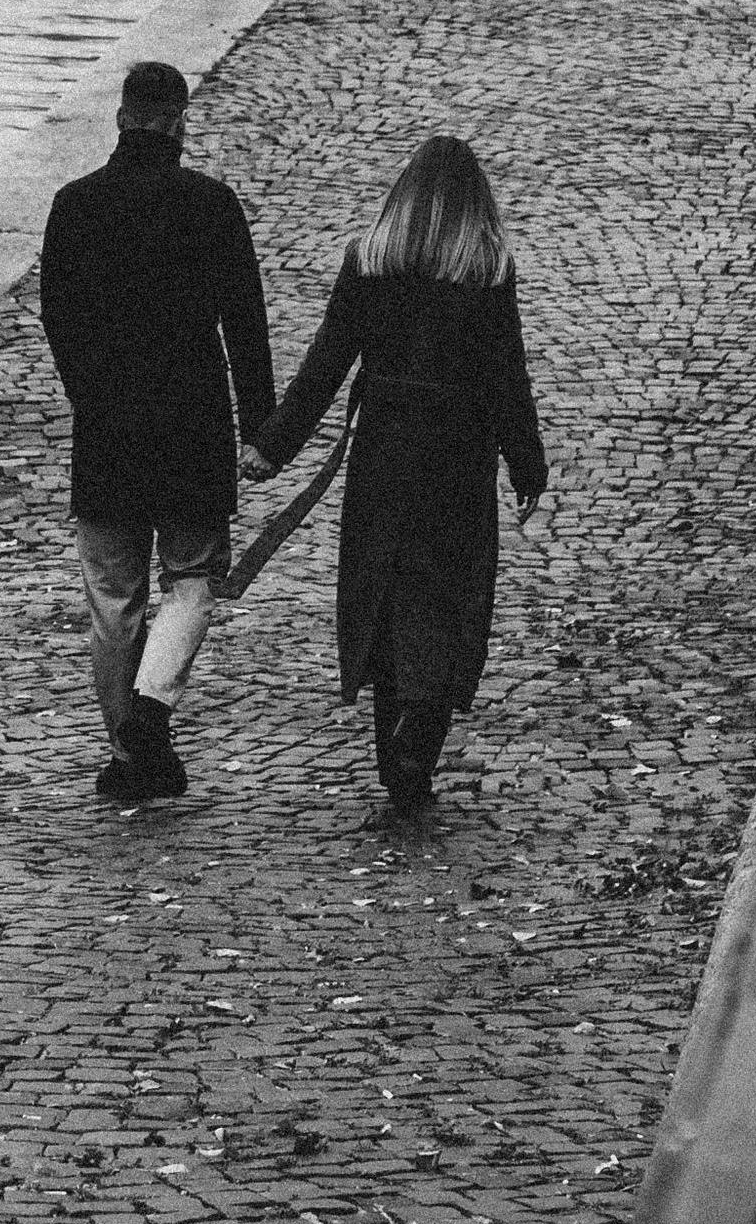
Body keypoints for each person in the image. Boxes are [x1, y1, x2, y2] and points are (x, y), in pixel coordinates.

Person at [244, 133, 547, 817]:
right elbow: (508, 379)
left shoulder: (369, 261)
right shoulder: (487, 270)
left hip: (383, 451)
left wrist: (273, 446)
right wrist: (526, 463)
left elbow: (325, 364)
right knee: (446, 593)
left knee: (381, 589)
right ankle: (421, 731)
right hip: (458, 456)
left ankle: (395, 749)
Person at [39, 59, 274, 806]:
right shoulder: (211, 205)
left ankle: (128, 753)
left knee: (113, 593)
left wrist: (88, 396)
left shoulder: (75, 205)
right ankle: (151, 713)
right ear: (179, 120)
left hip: (106, 424)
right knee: (193, 578)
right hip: (191, 419)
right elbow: (245, 322)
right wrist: (261, 424)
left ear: (120, 117)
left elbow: (58, 317)